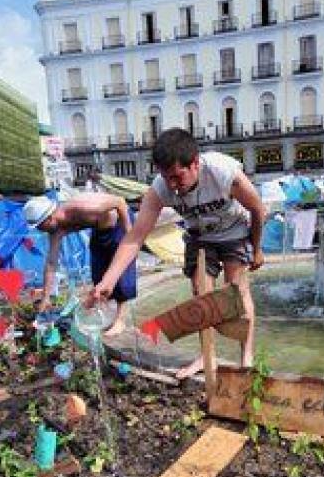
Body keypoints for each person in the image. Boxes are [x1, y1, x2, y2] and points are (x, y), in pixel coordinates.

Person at [91, 127, 265, 378]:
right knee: (200, 293)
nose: (172, 186)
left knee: (236, 292)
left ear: (195, 163)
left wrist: (257, 249)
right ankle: (207, 355)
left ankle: (245, 357)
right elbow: (135, 236)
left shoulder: (223, 173)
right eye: (166, 177)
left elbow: (258, 209)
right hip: (199, 235)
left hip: (233, 232)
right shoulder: (161, 188)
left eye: (177, 177)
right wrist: (108, 281)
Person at [23, 192, 136, 337]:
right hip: (99, 230)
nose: (40, 230)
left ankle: (120, 320)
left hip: (120, 223)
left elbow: (120, 201)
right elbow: (51, 263)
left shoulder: (80, 208)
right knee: (98, 273)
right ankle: (104, 314)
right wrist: (45, 298)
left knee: (121, 274)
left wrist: (129, 237)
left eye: (40, 226)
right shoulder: (55, 230)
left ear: (49, 218)